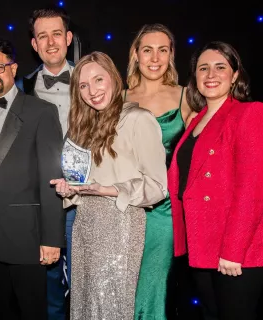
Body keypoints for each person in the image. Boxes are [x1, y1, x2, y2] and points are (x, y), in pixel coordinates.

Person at [51, 51, 167, 320]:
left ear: (113, 79)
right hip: (85, 224)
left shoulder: (138, 119)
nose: (92, 91)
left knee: (111, 308)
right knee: (84, 305)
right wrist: (71, 189)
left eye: (98, 80)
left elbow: (158, 186)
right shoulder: (85, 126)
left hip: (121, 223)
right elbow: (87, 184)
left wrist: (109, 189)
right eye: (83, 85)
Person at [0, 38, 65, 320]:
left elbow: (51, 177)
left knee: (31, 312)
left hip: (27, 239)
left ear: (13, 68)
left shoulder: (41, 111)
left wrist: (51, 238)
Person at [168, 41, 263, 320]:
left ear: (235, 75)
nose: (211, 74)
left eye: (220, 67)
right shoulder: (196, 121)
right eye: (203, 68)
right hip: (202, 245)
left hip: (236, 252)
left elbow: (252, 188)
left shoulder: (249, 113)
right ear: (195, 78)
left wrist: (233, 251)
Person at [123, 23, 195, 319]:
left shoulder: (186, 95)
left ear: (171, 55)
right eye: (148, 50)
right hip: (124, 206)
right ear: (136, 55)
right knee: (123, 286)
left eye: (162, 50)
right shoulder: (119, 97)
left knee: (155, 286)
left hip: (163, 209)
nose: (155, 58)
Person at [16, 7, 74, 318]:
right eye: (42, 36)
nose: (50, 42)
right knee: (48, 286)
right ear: (34, 45)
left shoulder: (96, 80)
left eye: (56, 34)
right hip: (42, 202)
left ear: (68, 38)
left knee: (87, 282)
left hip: (88, 200)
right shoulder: (20, 89)